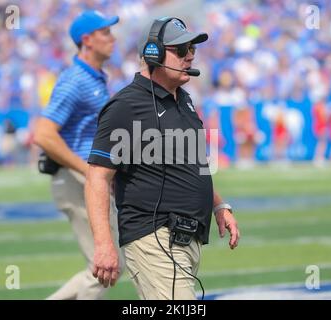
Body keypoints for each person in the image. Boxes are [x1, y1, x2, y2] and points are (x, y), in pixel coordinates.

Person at [85, 17, 240, 300]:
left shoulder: (184, 99)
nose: (190, 55)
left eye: (192, 48)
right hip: (153, 238)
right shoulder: (125, 106)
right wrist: (103, 243)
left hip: (185, 239)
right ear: (153, 54)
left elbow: (192, 165)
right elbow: (98, 176)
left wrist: (219, 205)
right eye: (180, 50)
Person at [33, 10, 124, 300]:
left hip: (82, 179)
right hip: (76, 180)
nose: (112, 38)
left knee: (106, 267)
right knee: (106, 267)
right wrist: (88, 171)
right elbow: (44, 134)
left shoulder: (94, 78)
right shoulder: (75, 80)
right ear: (87, 40)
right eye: (106, 32)